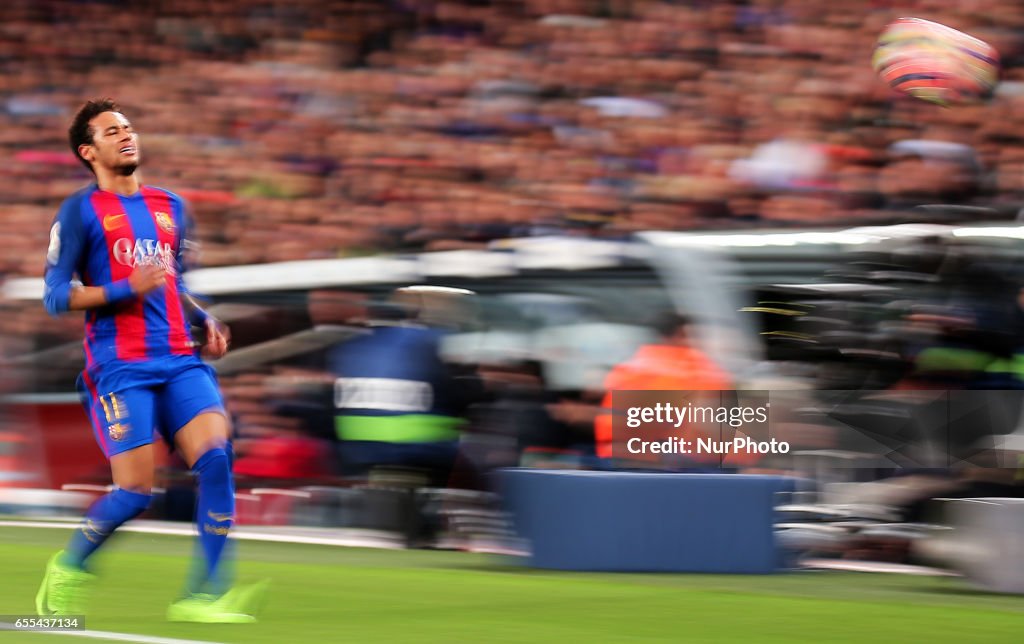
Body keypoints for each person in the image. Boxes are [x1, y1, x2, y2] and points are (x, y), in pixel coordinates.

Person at [36, 99, 264, 622]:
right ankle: (70, 565)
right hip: (120, 367)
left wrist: (204, 318)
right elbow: (54, 296)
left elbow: (172, 281)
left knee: (217, 458)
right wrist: (122, 287)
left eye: (128, 127)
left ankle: (203, 597)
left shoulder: (171, 206)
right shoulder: (78, 212)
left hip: (181, 360)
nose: (126, 136)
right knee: (136, 493)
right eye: (111, 131)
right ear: (87, 151)